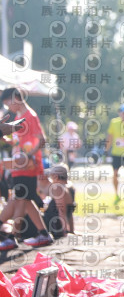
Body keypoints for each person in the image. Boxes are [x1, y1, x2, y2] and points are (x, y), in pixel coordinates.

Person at [0, 87, 53, 248]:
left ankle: (12, 236)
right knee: (26, 200)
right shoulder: (19, 117)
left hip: (26, 165)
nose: (8, 107)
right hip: (19, 164)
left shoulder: (29, 116)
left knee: (19, 198)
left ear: (15, 99)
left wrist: (28, 156)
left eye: (8, 103)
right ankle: (43, 233)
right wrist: (9, 141)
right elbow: (20, 142)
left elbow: (41, 140)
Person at [0, 163, 75, 251]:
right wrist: (71, 230)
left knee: (23, 200)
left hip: (50, 225)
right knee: (21, 201)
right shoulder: (66, 188)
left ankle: (13, 233)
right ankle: (12, 234)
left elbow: (62, 211)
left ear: (56, 175)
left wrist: (64, 232)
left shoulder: (58, 188)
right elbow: (69, 213)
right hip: (51, 224)